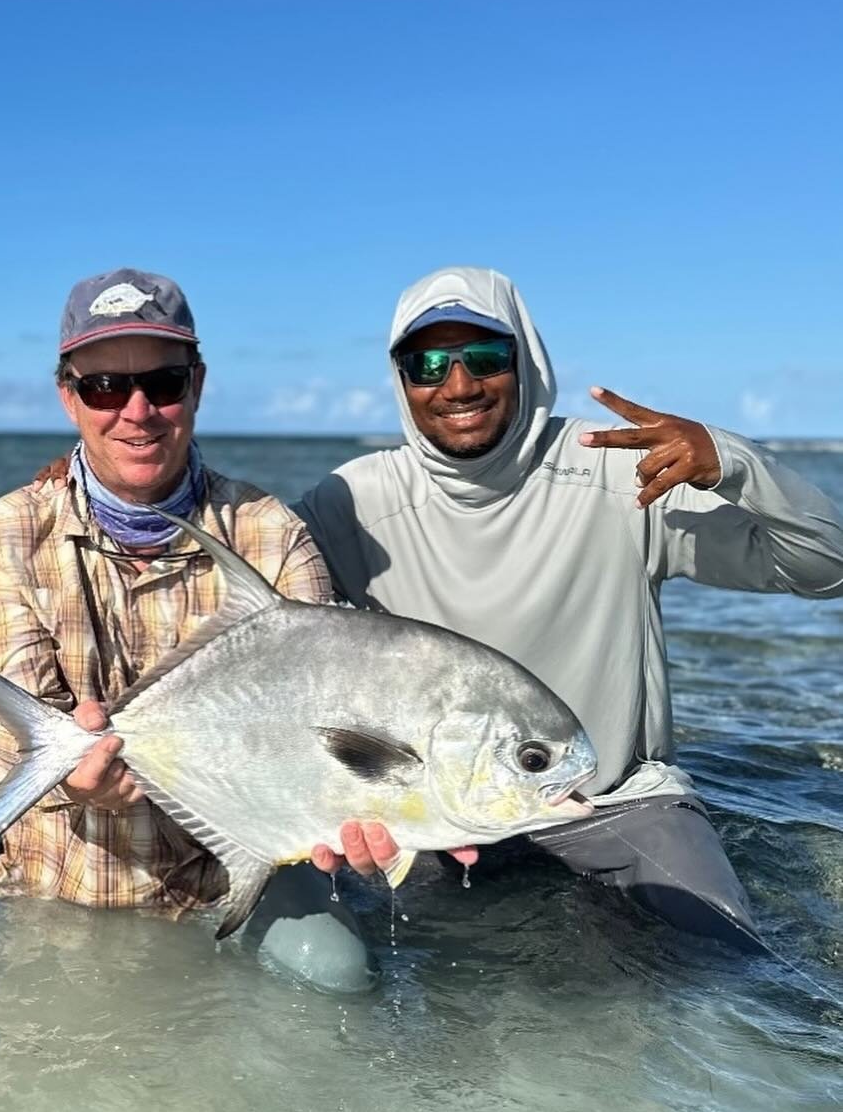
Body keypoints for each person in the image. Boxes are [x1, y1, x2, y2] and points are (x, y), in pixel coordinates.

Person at [297, 265, 843, 947]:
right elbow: (251, 627)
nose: (459, 384)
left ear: (525, 359)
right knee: (388, 998)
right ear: (400, 379)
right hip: (434, 817)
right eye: (428, 363)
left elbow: (825, 568)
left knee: (720, 971)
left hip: (613, 803)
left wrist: (734, 463)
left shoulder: (618, 471)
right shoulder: (350, 503)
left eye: (486, 357)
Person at [0, 268, 375, 991]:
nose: (138, 411)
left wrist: (362, 819)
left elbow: (325, 730)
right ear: (68, 397)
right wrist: (76, 775)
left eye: (164, 383)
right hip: (64, 878)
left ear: (198, 386)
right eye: (105, 388)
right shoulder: (10, 531)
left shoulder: (272, 534)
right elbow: (2, 742)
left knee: (341, 979)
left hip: (240, 874)